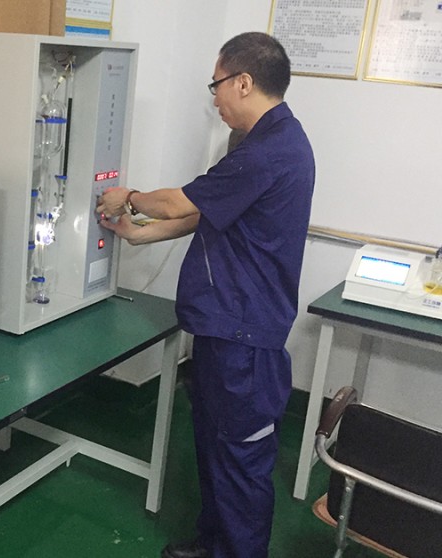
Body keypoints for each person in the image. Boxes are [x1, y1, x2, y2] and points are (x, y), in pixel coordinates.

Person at [96, 32, 315, 558]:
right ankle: (214, 544)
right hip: (225, 331)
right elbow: (205, 215)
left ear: (244, 82)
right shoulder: (267, 143)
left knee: (240, 461)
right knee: (216, 449)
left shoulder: (268, 152)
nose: (214, 98)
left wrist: (128, 197)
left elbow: (178, 203)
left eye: (216, 84)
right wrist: (140, 234)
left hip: (245, 340)